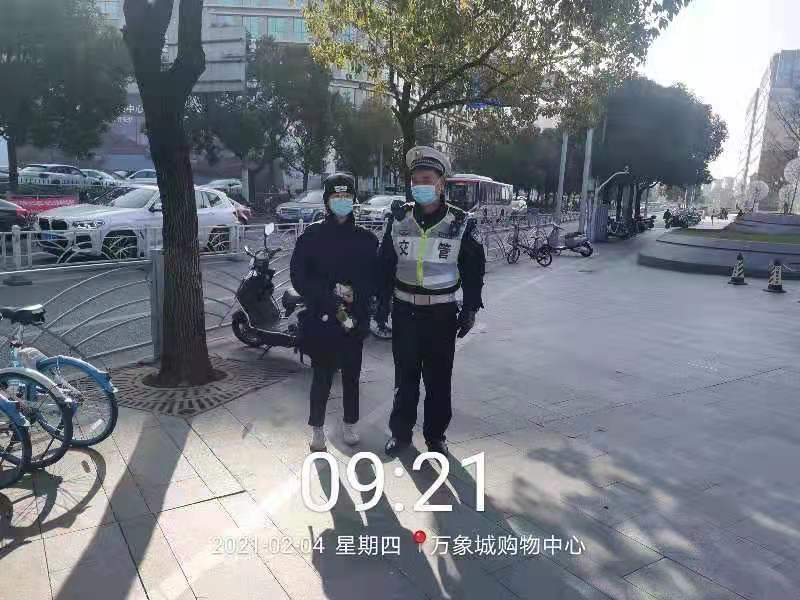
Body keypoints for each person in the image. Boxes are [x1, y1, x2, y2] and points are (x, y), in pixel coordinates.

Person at [375, 146, 486, 457]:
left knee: (438, 380)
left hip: (441, 313)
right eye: (416, 180)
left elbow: (474, 270)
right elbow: (385, 264)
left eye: (427, 179)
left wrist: (470, 309)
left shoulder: (460, 222)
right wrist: (381, 305)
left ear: (441, 183)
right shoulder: (399, 219)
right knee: (405, 377)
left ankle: (436, 437)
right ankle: (400, 434)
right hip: (405, 311)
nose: (420, 185)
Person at [290, 173, 379, 452]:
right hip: (323, 318)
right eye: (336, 196)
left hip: (354, 320)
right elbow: (299, 276)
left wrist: (357, 294)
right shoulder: (312, 236)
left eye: (347, 196)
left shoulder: (366, 239)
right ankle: (317, 429)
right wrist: (326, 296)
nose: (342, 201)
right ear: (327, 200)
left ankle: (350, 424)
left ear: (354, 200)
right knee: (322, 376)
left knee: (352, 375)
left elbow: (375, 278)